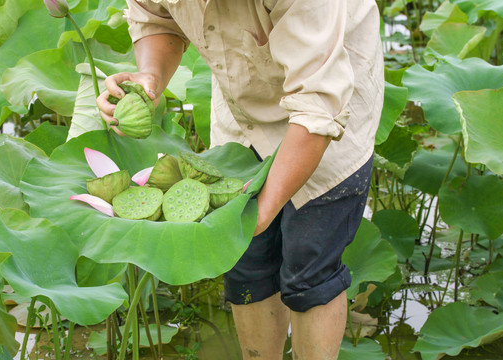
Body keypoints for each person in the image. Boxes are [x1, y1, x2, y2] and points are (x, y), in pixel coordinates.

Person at [97, 0, 384, 359]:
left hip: (329, 100)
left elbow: (318, 106)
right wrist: (151, 76)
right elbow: (157, 18)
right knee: (247, 264)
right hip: (243, 106)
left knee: (309, 270)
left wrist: (260, 213)